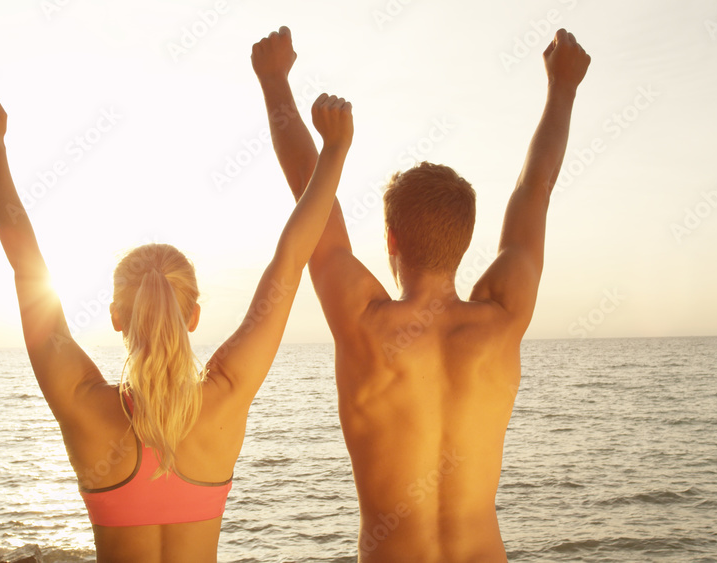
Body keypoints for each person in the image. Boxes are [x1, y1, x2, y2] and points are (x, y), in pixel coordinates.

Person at [0, 85, 353, 562]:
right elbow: (290, 262)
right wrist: (333, 150)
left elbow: (27, 267)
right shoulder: (227, 393)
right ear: (194, 317)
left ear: (116, 317)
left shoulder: (82, 405)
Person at [253, 26, 590, 561]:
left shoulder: (363, 322)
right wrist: (563, 89)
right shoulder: (502, 317)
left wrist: (274, 82)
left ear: (390, 238)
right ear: (466, 242)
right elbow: (536, 189)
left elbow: (311, 197)